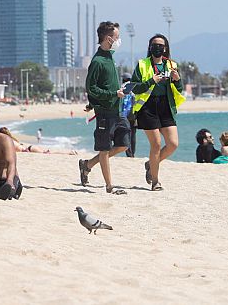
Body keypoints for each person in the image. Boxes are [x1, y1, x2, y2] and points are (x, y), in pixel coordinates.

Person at [78, 21, 130, 195]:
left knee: (123, 144)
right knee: (104, 149)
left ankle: (87, 165)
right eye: (117, 37)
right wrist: (111, 95)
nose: (118, 40)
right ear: (108, 38)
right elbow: (91, 87)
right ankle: (110, 187)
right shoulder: (98, 61)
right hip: (105, 112)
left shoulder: (110, 57)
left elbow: (106, 85)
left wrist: (120, 92)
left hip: (118, 110)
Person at [131, 34, 185, 191]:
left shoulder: (172, 65)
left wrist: (177, 79)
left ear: (166, 48)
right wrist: (151, 81)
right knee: (156, 144)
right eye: (155, 45)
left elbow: (179, 89)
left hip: (165, 106)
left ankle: (151, 164)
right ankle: (155, 181)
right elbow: (135, 87)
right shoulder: (142, 65)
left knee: (173, 144)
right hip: (147, 107)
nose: (158, 48)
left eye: (161, 45)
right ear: (150, 47)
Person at [122, 74, 138, 158]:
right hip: (134, 113)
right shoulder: (134, 87)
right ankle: (133, 153)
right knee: (133, 134)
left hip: (125, 114)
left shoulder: (122, 87)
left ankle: (129, 153)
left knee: (126, 133)